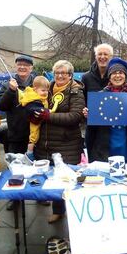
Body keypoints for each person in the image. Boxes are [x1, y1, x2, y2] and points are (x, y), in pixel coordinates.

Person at [34, 60, 85, 223]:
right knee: (53, 179)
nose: (60, 76)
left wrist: (49, 116)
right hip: (46, 142)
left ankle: (73, 211)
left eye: (64, 73)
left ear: (70, 76)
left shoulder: (75, 91)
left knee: (68, 179)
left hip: (67, 143)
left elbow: (75, 116)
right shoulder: (46, 89)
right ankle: (58, 210)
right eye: (57, 73)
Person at [0, 55, 50, 210]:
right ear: (16, 67)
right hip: (16, 134)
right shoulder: (8, 84)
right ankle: (16, 198)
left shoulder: (38, 83)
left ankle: (39, 194)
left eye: (25, 65)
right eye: (19, 65)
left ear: (31, 68)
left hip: (36, 135)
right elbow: (1, 105)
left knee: (38, 166)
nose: (22, 68)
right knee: (16, 167)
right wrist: (11, 91)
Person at [83, 57, 127, 163]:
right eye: (114, 73)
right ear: (109, 76)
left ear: (125, 76)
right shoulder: (100, 95)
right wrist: (89, 115)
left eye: (121, 73)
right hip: (105, 145)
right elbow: (93, 126)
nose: (117, 76)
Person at [81, 43, 114, 154]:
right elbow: (82, 100)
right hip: (93, 127)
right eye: (99, 54)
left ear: (111, 57)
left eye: (106, 54)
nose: (102, 57)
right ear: (95, 57)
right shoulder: (86, 77)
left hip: (112, 127)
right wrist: (84, 110)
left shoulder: (118, 76)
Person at [19, 76, 51, 161]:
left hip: (40, 120)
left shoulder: (39, 96)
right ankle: (29, 152)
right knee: (34, 135)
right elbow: (33, 108)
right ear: (35, 89)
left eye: (47, 90)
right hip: (35, 121)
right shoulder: (33, 98)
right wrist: (45, 111)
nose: (45, 93)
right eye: (43, 90)